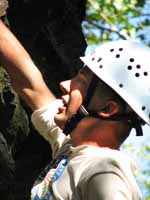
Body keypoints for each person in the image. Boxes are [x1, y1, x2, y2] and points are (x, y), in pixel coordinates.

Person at [0, 1, 148, 199]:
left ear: (107, 108)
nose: (64, 84)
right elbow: (31, 84)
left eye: (81, 82)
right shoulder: (71, 149)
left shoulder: (105, 170)